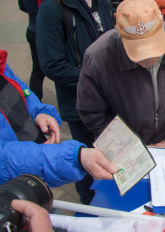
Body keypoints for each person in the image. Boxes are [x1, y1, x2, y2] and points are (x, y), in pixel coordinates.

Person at [36, 0, 115, 204]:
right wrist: (95, 79)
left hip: (112, 99)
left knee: (115, 161)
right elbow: (52, 65)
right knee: (89, 169)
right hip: (80, 105)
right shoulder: (53, 7)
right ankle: (91, 208)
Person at [77, 0, 165, 148]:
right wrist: (125, 146)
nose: (148, 58)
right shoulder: (98, 57)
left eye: (153, 47)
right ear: (119, 32)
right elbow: (92, 113)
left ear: (162, 22)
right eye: (138, 52)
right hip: (122, 148)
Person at [0, 49, 117, 187]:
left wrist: (38, 111)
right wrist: (75, 157)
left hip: (35, 162)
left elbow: (21, 89)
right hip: (13, 187)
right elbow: (5, 158)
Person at [18, 0, 52, 100]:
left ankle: (33, 99)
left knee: (37, 69)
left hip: (31, 29)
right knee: (49, 68)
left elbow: (22, 5)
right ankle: (35, 100)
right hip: (41, 33)